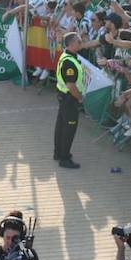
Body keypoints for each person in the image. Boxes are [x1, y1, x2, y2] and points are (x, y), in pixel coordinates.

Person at [53, 32, 84, 169]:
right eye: (79, 42)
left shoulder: (67, 56)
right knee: (68, 129)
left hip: (64, 96)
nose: (81, 44)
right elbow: (71, 85)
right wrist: (80, 97)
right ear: (71, 44)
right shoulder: (69, 62)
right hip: (69, 98)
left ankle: (58, 153)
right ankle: (64, 158)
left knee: (61, 126)